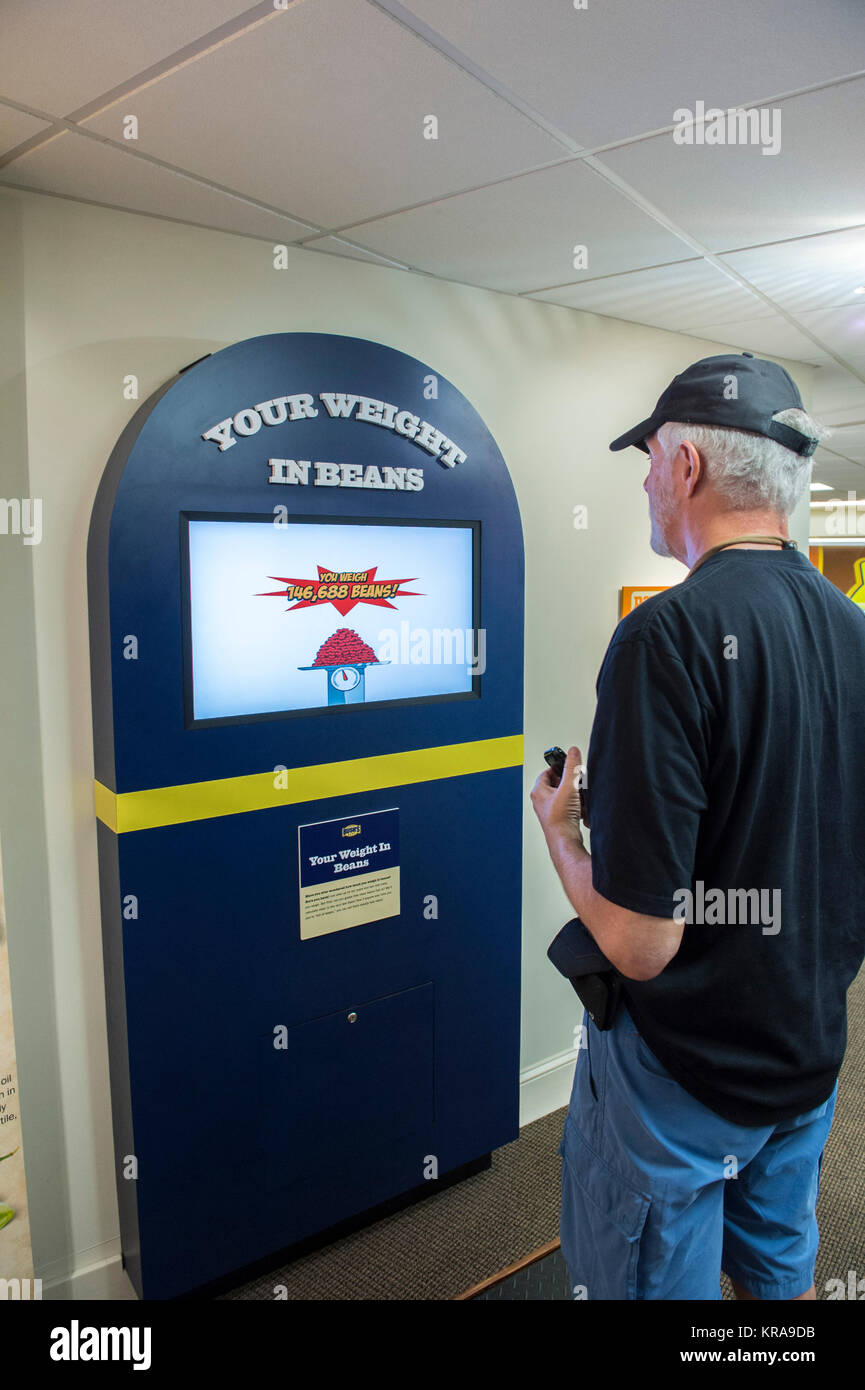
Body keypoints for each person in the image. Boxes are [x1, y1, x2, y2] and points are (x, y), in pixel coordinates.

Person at [530, 352, 865, 1301]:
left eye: (647, 461)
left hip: (683, 1077)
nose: (641, 483)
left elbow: (639, 943)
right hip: (803, 1051)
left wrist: (561, 837)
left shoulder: (664, 637)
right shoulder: (854, 631)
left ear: (685, 470)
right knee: (777, 1280)